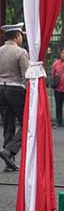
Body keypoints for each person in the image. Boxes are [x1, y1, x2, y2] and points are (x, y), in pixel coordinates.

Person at [0, 23, 29, 172]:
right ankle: (9, 151)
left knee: (8, 123)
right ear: (17, 36)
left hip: (0, 88)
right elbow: (26, 74)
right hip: (15, 88)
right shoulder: (21, 52)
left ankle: (8, 161)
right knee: (27, 123)